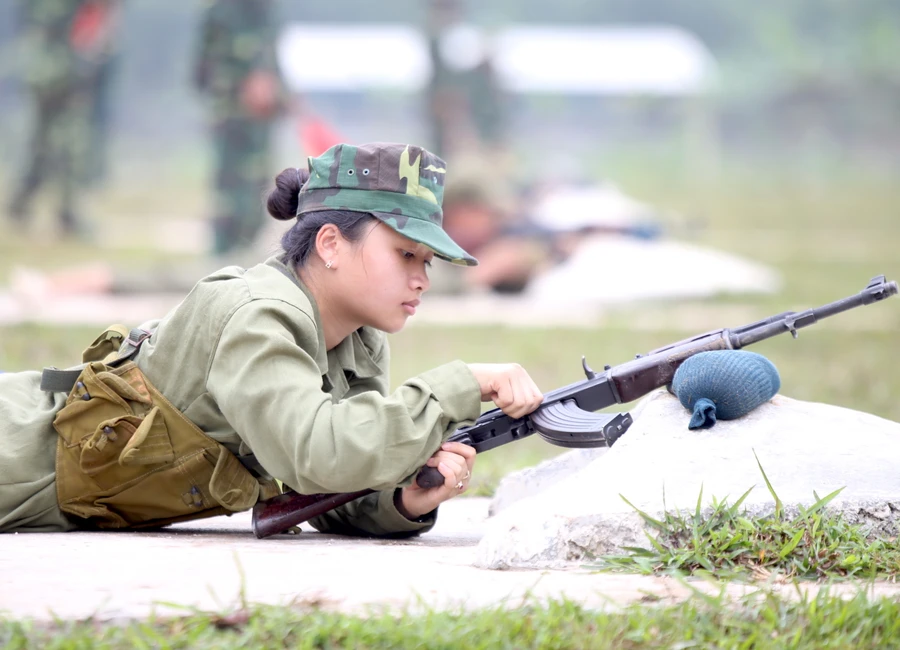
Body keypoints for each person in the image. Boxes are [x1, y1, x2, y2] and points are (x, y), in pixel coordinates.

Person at [0, 142, 544, 535]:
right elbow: (317, 450)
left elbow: (322, 486)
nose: (422, 277)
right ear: (330, 243)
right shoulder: (260, 315)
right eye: (406, 254)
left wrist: (401, 498)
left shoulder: (355, 336)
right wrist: (457, 386)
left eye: (427, 260)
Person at [6, 0, 119, 236]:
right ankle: (66, 214)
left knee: (41, 141)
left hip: (40, 65)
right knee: (69, 143)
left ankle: (21, 203)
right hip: (66, 67)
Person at [193, 0, 287, 256]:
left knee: (256, 176)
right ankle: (224, 244)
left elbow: (270, 55)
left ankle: (247, 239)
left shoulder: (265, 11)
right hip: (231, 106)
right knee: (229, 179)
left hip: (259, 110)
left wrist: (281, 94)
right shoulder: (223, 10)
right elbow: (207, 63)